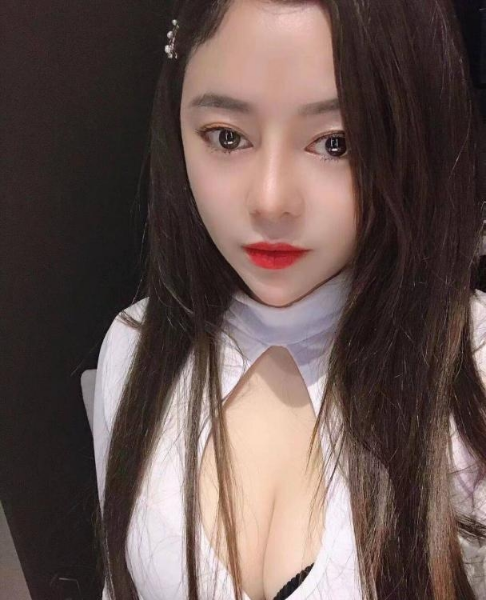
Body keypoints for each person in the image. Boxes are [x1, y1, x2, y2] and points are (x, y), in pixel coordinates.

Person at [92, 0, 486, 598]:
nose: (271, 201)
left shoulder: (472, 366)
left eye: (337, 144)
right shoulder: (136, 344)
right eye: (227, 137)